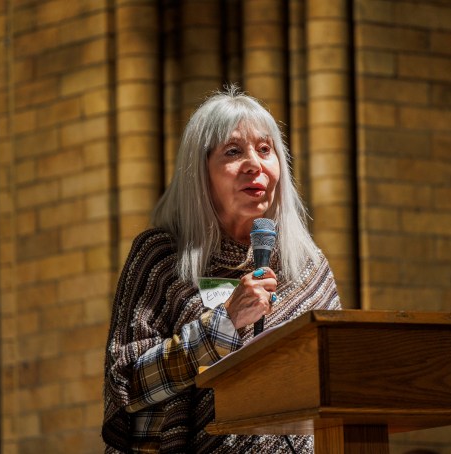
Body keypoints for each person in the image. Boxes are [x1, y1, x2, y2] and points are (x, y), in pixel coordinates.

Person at [102, 85, 340, 453]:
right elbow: (128, 380)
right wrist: (223, 324)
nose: (254, 164)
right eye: (233, 151)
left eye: (265, 149)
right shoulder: (162, 258)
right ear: (200, 174)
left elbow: (335, 380)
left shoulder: (308, 269)